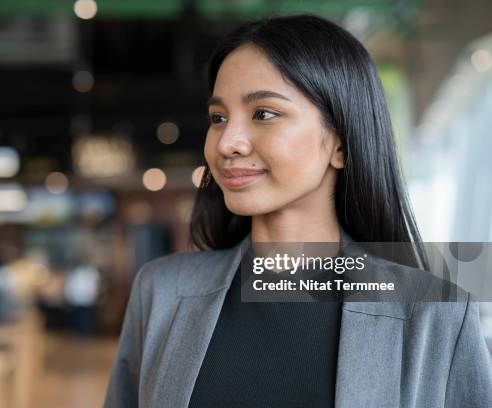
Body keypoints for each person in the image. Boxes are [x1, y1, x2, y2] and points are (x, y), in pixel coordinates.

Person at [104, 15, 492, 407]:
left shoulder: (434, 314)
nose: (227, 143)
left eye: (264, 113)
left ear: (339, 142)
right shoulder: (162, 291)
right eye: (218, 118)